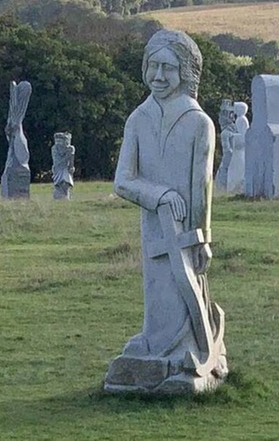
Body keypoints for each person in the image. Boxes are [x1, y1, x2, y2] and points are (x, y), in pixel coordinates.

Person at [105, 29, 227, 394]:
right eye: (152, 67)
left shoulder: (199, 123)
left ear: (185, 73)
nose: (158, 76)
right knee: (157, 289)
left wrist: (202, 238)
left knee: (185, 288)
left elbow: (201, 188)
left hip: (187, 232)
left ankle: (192, 354)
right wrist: (158, 195)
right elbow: (122, 180)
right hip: (154, 229)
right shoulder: (138, 119)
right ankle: (157, 348)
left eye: (168, 69)